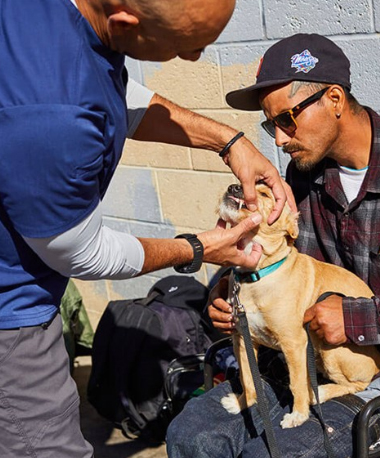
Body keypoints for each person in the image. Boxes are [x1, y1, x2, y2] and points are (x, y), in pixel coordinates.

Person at [0, 1, 294, 457]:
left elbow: (114, 93)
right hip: (9, 311)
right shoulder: (53, 117)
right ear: (124, 23)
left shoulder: (51, 18)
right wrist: (199, 247)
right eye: (184, 45)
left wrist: (228, 142)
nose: (196, 58)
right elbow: (81, 252)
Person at [166, 33, 380, 458]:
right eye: (271, 125)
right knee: (189, 437)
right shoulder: (299, 176)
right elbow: (275, 263)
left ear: (335, 99)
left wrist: (356, 318)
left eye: (286, 119)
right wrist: (225, 291)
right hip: (289, 356)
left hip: (365, 370)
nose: (279, 140)